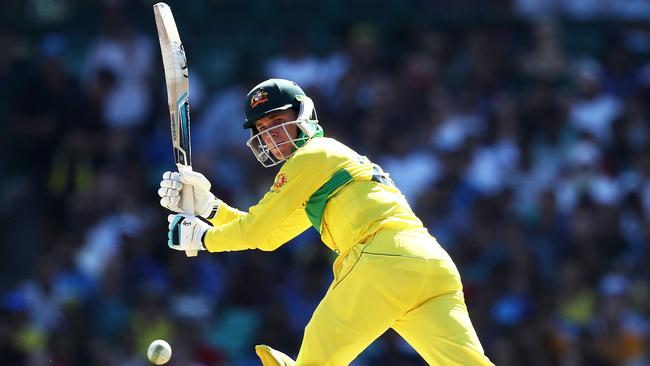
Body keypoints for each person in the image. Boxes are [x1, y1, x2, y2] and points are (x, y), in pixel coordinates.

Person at [158, 79, 494, 365]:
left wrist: (201, 239)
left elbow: (255, 232)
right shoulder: (324, 164)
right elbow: (269, 235)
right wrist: (210, 208)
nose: (271, 136)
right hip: (430, 266)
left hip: (382, 262)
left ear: (303, 114)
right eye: (262, 129)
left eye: (276, 122)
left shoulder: (311, 157)